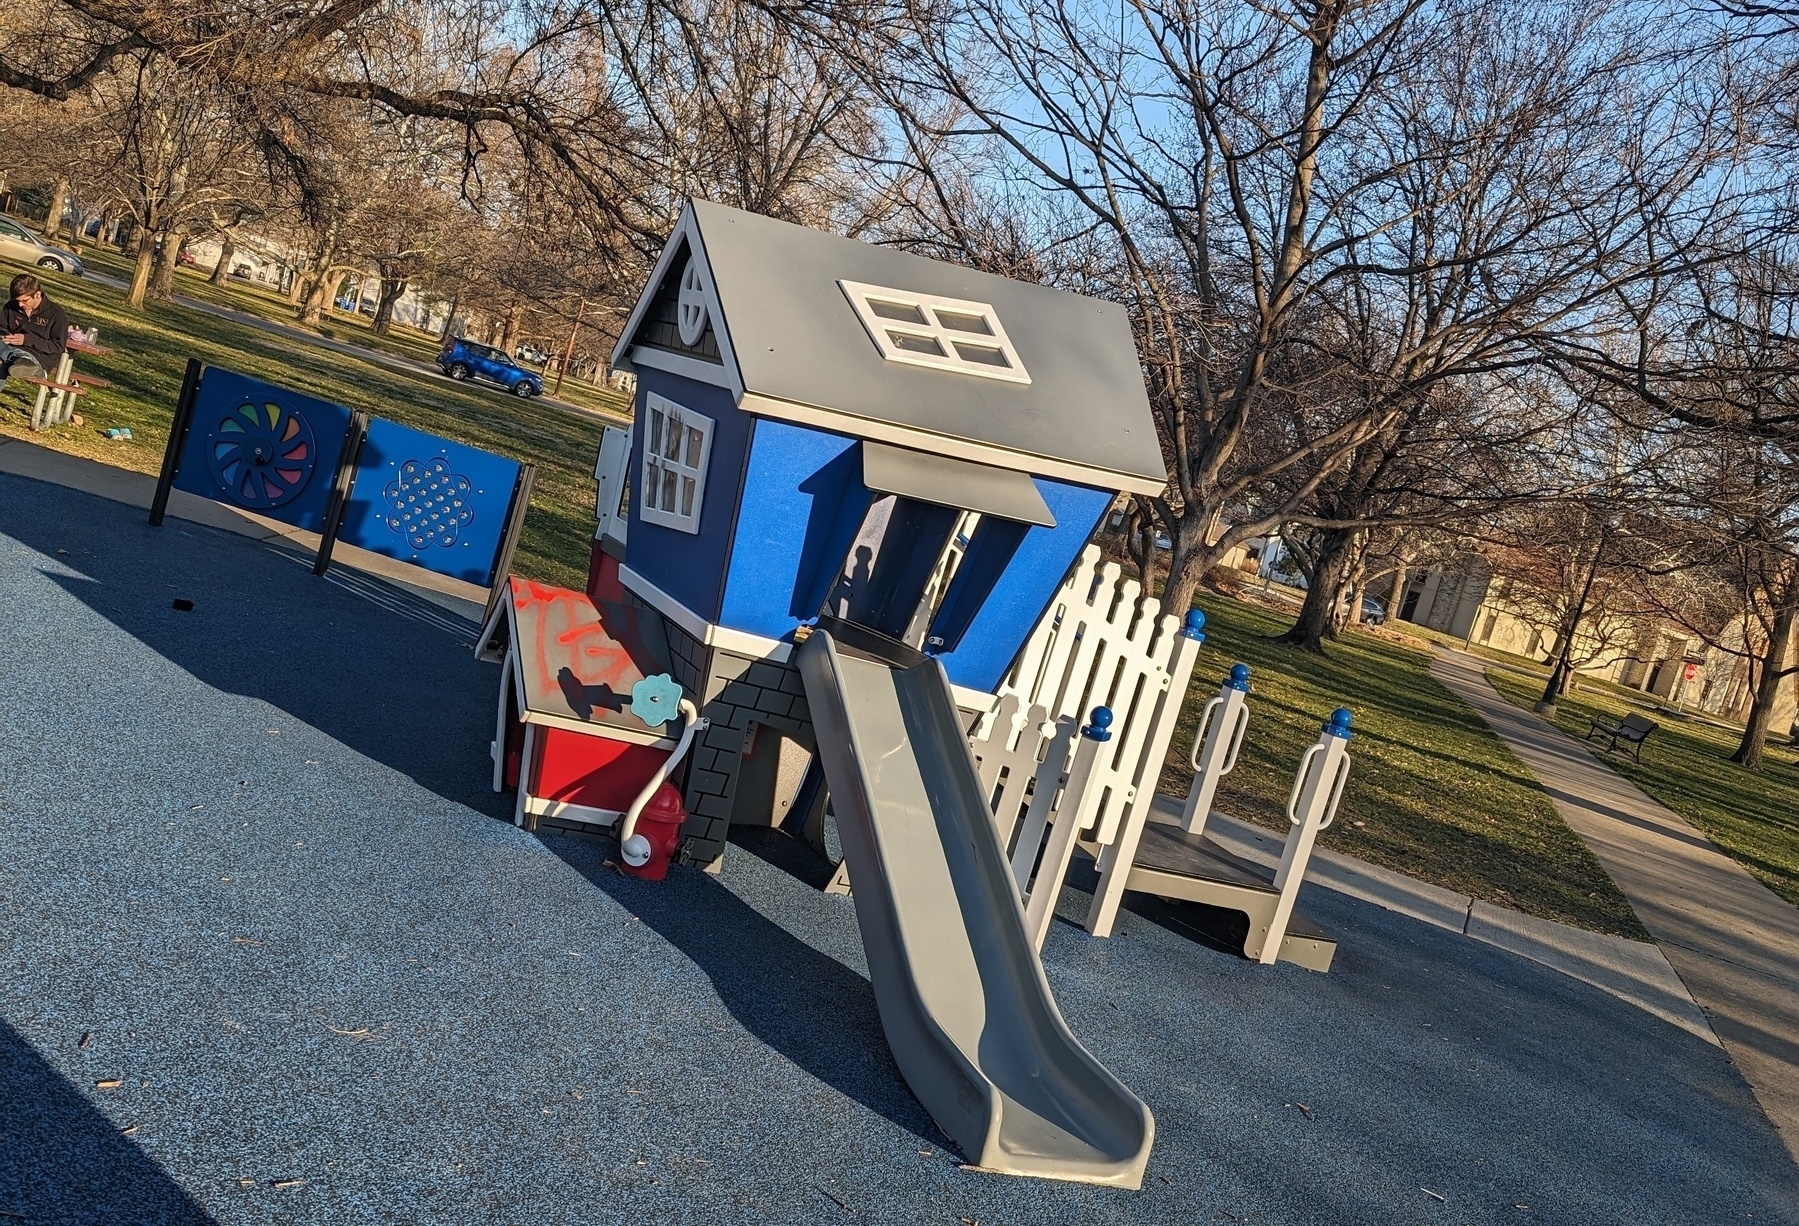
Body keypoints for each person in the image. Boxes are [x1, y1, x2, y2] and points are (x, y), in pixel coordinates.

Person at [1, 273, 69, 392]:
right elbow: (1, 326)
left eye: (24, 301)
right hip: (8, 348)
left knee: (3, 362)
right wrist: (5, 335)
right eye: (17, 301)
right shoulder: (11, 306)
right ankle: (16, 359)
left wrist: (27, 340)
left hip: (38, 358)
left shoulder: (56, 315)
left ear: (37, 294)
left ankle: (22, 361)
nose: (20, 304)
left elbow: (57, 346)